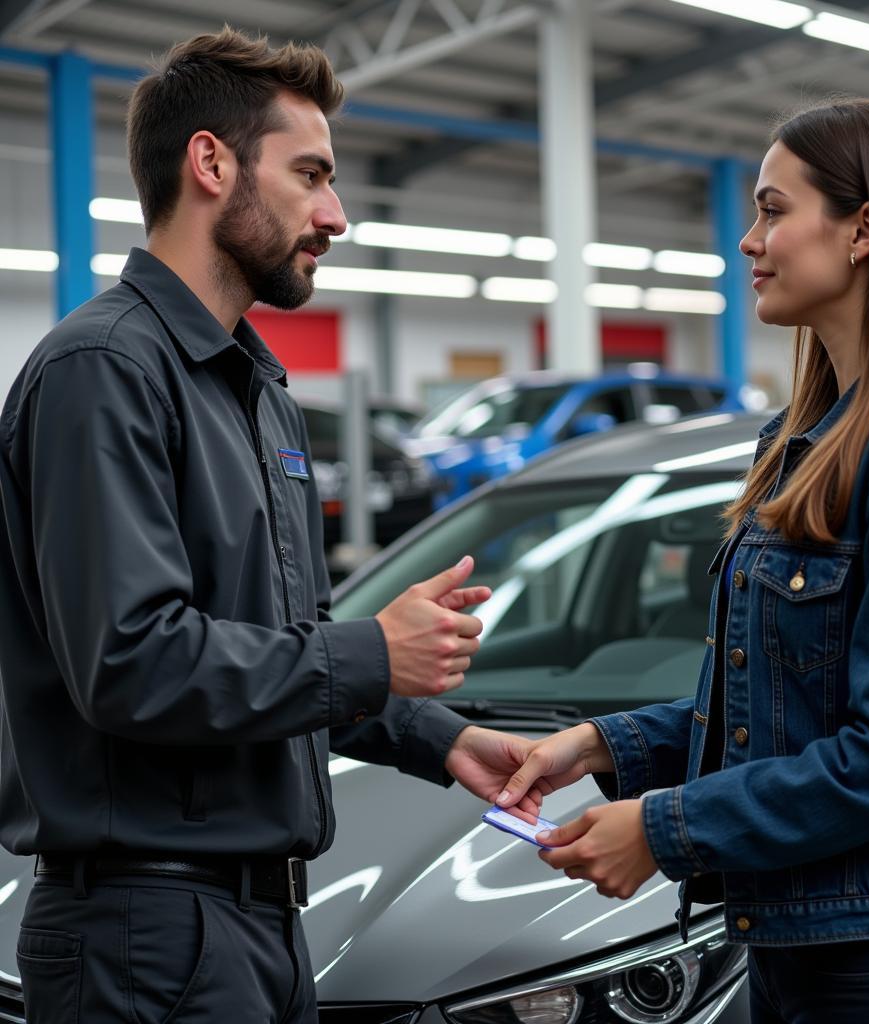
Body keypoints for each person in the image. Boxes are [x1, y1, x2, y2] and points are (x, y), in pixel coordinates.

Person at [0, 28, 535, 1024]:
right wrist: (371, 651)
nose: (334, 213)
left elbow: (277, 646)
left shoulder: (257, 391)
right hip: (145, 936)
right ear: (211, 163)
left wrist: (442, 738)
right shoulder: (104, 371)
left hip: (257, 929)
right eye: (310, 175)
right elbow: (131, 662)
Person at [494, 99, 869, 1023]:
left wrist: (662, 831)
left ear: (863, 227)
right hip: (800, 947)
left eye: (774, 210)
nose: (748, 240)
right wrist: (599, 745)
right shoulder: (798, 440)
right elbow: (775, 709)